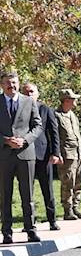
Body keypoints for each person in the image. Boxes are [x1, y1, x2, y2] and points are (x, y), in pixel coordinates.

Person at [0, 70, 43, 244]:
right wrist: (5, 140)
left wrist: (25, 140)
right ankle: (7, 233)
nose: (12, 86)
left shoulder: (28, 101)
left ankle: (31, 230)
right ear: (2, 85)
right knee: (5, 195)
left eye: (14, 82)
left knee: (28, 194)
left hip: (26, 155)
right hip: (4, 155)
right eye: (8, 83)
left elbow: (37, 126)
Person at [24, 82, 62, 229]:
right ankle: (29, 222)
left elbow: (54, 133)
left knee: (48, 189)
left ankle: (52, 220)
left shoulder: (45, 109)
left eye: (31, 91)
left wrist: (55, 153)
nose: (29, 94)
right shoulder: (20, 109)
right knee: (27, 191)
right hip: (25, 156)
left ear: (37, 93)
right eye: (26, 92)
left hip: (43, 155)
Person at [53, 89, 81, 221]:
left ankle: (76, 207)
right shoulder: (56, 115)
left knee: (78, 182)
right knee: (68, 183)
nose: (75, 101)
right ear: (66, 100)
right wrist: (57, 154)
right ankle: (68, 210)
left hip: (78, 153)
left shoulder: (72, 115)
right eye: (73, 99)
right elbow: (55, 137)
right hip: (66, 154)